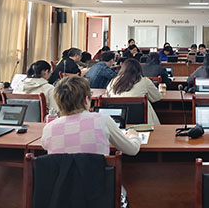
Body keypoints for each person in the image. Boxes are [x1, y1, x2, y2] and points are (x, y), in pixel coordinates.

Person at [41, 76, 140, 207]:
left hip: (61, 196)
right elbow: (132, 150)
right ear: (86, 100)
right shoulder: (103, 120)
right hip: (98, 194)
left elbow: (45, 145)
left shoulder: (49, 128)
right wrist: (134, 135)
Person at [106, 59, 163, 125]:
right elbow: (157, 97)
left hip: (117, 120)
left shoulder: (113, 81)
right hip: (141, 121)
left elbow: (107, 98)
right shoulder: (144, 81)